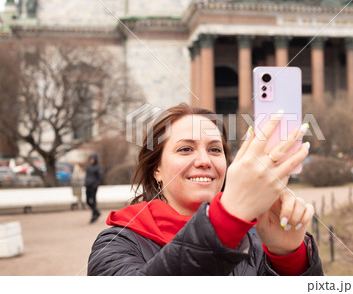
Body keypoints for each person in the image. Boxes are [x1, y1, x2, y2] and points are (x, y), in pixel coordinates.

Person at [88, 104, 323, 276]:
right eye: (185, 149)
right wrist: (227, 220)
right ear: (156, 170)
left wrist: (288, 258)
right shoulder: (117, 243)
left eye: (214, 150)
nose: (204, 161)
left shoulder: (256, 238)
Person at [85, 154, 103, 224]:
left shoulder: (98, 167)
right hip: (88, 186)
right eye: (90, 159)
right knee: (87, 201)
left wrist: (96, 184)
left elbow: (101, 177)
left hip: (94, 186)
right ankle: (97, 212)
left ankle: (94, 215)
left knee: (93, 201)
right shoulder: (89, 166)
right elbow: (87, 176)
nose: (91, 160)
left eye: (93, 159)